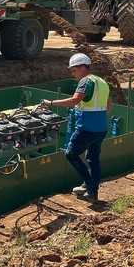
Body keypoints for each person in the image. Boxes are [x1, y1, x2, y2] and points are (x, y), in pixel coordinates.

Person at [44, 53, 112, 201]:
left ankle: (90, 186)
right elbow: (108, 105)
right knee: (93, 158)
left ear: (82, 67)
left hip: (86, 128)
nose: (73, 74)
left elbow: (75, 100)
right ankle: (90, 189)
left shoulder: (85, 81)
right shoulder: (102, 82)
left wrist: (51, 103)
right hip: (101, 128)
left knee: (71, 154)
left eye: (74, 70)